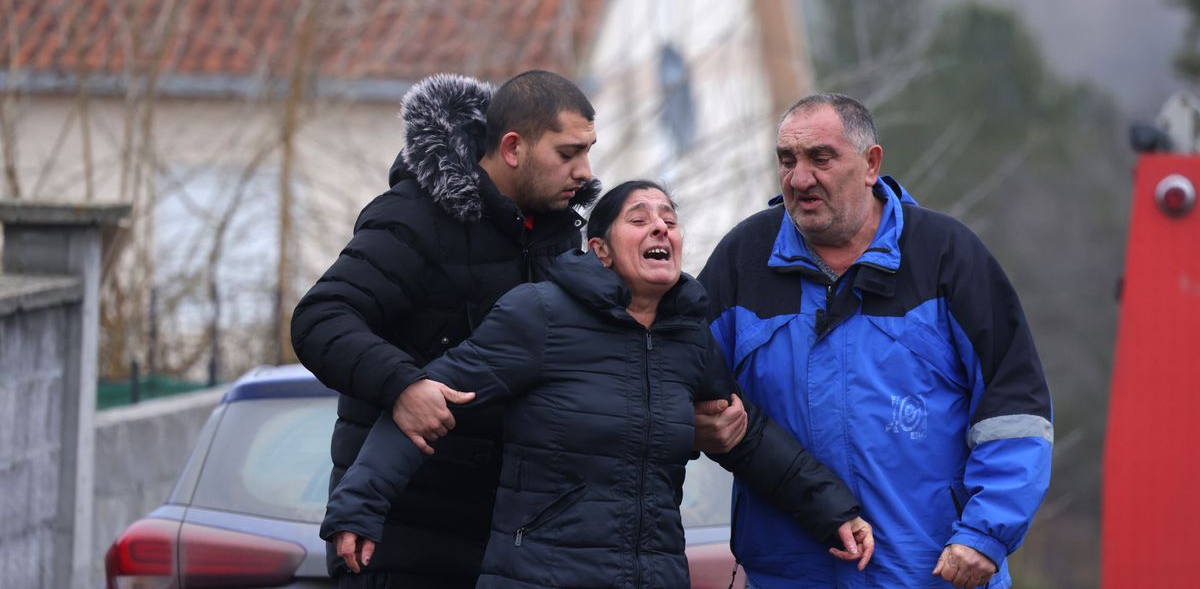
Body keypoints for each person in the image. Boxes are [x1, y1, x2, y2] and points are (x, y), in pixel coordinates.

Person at [290, 72, 746, 587]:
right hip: (403, 530)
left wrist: (687, 421)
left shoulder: (564, 240)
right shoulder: (415, 219)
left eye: (589, 151)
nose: (585, 171)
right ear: (512, 148)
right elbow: (320, 318)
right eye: (568, 153)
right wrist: (402, 385)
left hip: (510, 539)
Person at [322, 181, 875, 588]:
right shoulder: (539, 314)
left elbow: (747, 436)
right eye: (639, 218)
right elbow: (429, 403)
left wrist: (833, 511)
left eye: (669, 219)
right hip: (541, 576)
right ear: (600, 251)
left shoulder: (689, 338)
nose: (661, 227)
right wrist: (358, 507)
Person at [698, 94, 1053, 589]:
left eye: (820, 158)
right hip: (789, 575)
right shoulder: (743, 258)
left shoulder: (945, 255)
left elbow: (1015, 408)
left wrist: (985, 532)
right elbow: (681, 381)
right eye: (787, 160)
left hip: (934, 573)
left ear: (871, 164)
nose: (800, 179)